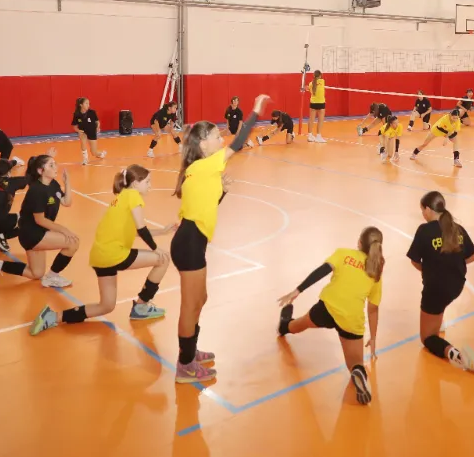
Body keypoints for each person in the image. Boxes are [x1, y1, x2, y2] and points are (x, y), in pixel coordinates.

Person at [171, 94, 268, 383]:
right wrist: (255, 112)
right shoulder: (205, 166)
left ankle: (191, 350)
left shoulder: (200, 170)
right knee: (190, 305)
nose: (221, 139)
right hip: (189, 242)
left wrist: (221, 192)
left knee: (200, 299)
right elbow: (238, 144)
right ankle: (185, 365)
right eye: (215, 136)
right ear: (203, 145)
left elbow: (207, 205)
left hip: (194, 241)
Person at [29, 165, 178, 336]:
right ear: (135, 183)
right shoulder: (133, 195)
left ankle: (53, 317)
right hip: (114, 254)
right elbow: (141, 228)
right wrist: (156, 248)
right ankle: (141, 306)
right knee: (163, 259)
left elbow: (133, 231)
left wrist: (162, 232)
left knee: (106, 306)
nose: (150, 185)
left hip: (100, 256)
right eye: (147, 181)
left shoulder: (121, 197)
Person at [277, 227, 385, 404]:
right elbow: (373, 309)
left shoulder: (343, 254)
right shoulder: (376, 271)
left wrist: (298, 290)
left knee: (302, 323)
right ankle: (358, 372)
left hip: (328, 308)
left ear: (359, 243)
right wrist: (373, 338)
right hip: (351, 319)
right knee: (355, 364)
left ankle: (285, 326)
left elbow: (322, 270)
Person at [405, 191, 474, 376]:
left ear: (428, 209)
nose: (422, 214)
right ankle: (439, 319)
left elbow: (414, 260)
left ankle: (458, 355)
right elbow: (473, 256)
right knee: (441, 300)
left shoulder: (424, 230)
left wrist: (428, 269)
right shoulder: (457, 228)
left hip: (435, 289)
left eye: (422, 210)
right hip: (456, 285)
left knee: (427, 338)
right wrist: (453, 264)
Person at [0, 154, 78, 288]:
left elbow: (66, 202)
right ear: (40, 171)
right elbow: (40, 220)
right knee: (73, 243)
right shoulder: (37, 190)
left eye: (55, 164)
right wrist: (64, 230)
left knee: (36, 273)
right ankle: (52, 277)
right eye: (51, 165)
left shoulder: (53, 184)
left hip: (38, 232)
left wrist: (67, 183)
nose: (55, 167)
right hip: (31, 234)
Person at [71, 97, 106, 165]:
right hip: (83, 132)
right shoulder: (76, 114)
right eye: (86, 103)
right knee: (83, 143)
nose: (88, 105)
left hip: (92, 132)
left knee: (94, 152)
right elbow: (74, 126)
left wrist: (98, 127)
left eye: (89, 103)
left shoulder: (92, 112)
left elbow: (97, 122)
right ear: (81, 105)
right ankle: (85, 159)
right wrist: (78, 130)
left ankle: (101, 154)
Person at [305, 70, 327, 143]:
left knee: (311, 119)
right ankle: (318, 136)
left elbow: (311, 90)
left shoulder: (311, 83)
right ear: (320, 75)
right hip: (321, 103)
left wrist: (307, 88)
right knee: (320, 120)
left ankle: (310, 135)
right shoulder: (322, 81)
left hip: (313, 103)